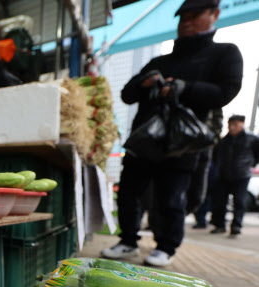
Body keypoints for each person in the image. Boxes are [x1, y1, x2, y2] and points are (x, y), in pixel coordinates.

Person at [101, 0, 243, 267]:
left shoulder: (225, 53)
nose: (186, 22)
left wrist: (184, 87)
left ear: (215, 15)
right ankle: (128, 241)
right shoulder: (159, 61)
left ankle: (166, 246)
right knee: (129, 191)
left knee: (172, 197)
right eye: (183, 17)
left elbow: (226, 92)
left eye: (194, 15)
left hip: (182, 143)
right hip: (144, 140)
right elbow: (127, 94)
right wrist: (144, 82)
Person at [209, 115, 259, 235]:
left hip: (242, 174)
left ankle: (236, 225)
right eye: (230, 124)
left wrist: (251, 164)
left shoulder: (251, 139)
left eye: (235, 124)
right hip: (223, 174)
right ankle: (219, 224)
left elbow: (257, 154)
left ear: (242, 124)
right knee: (220, 201)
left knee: (239, 201)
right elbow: (215, 156)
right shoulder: (224, 140)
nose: (232, 127)